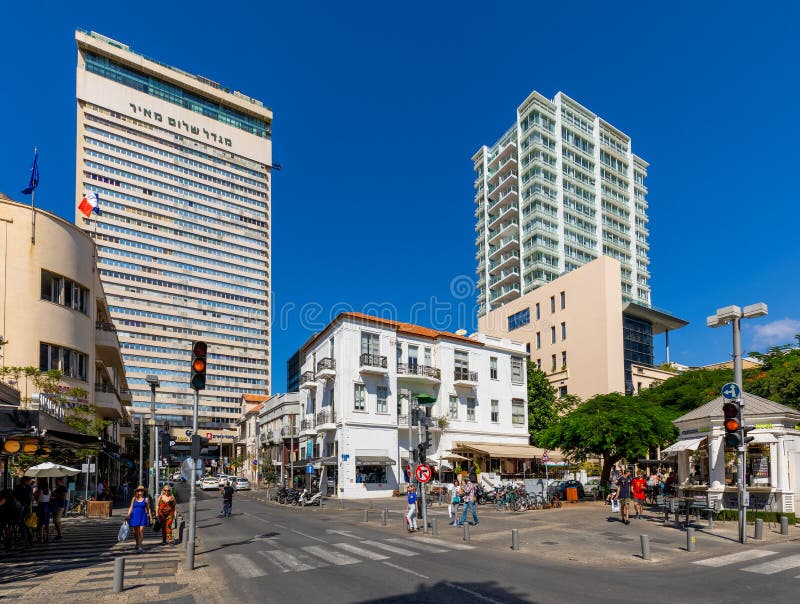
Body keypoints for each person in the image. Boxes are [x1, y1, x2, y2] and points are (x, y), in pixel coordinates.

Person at [126, 485, 153, 553]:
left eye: (142, 490)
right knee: (135, 532)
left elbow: (148, 509)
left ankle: (140, 546)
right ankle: (137, 543)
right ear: (137, 492)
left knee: (141, 531)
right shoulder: (134, 498)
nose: (140, 492)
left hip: (142, 516)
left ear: (144, 492)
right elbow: (131, 507)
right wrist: (128, 515)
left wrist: (151, 517)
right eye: (139, 490)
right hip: (134, 516)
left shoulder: (146, 499)